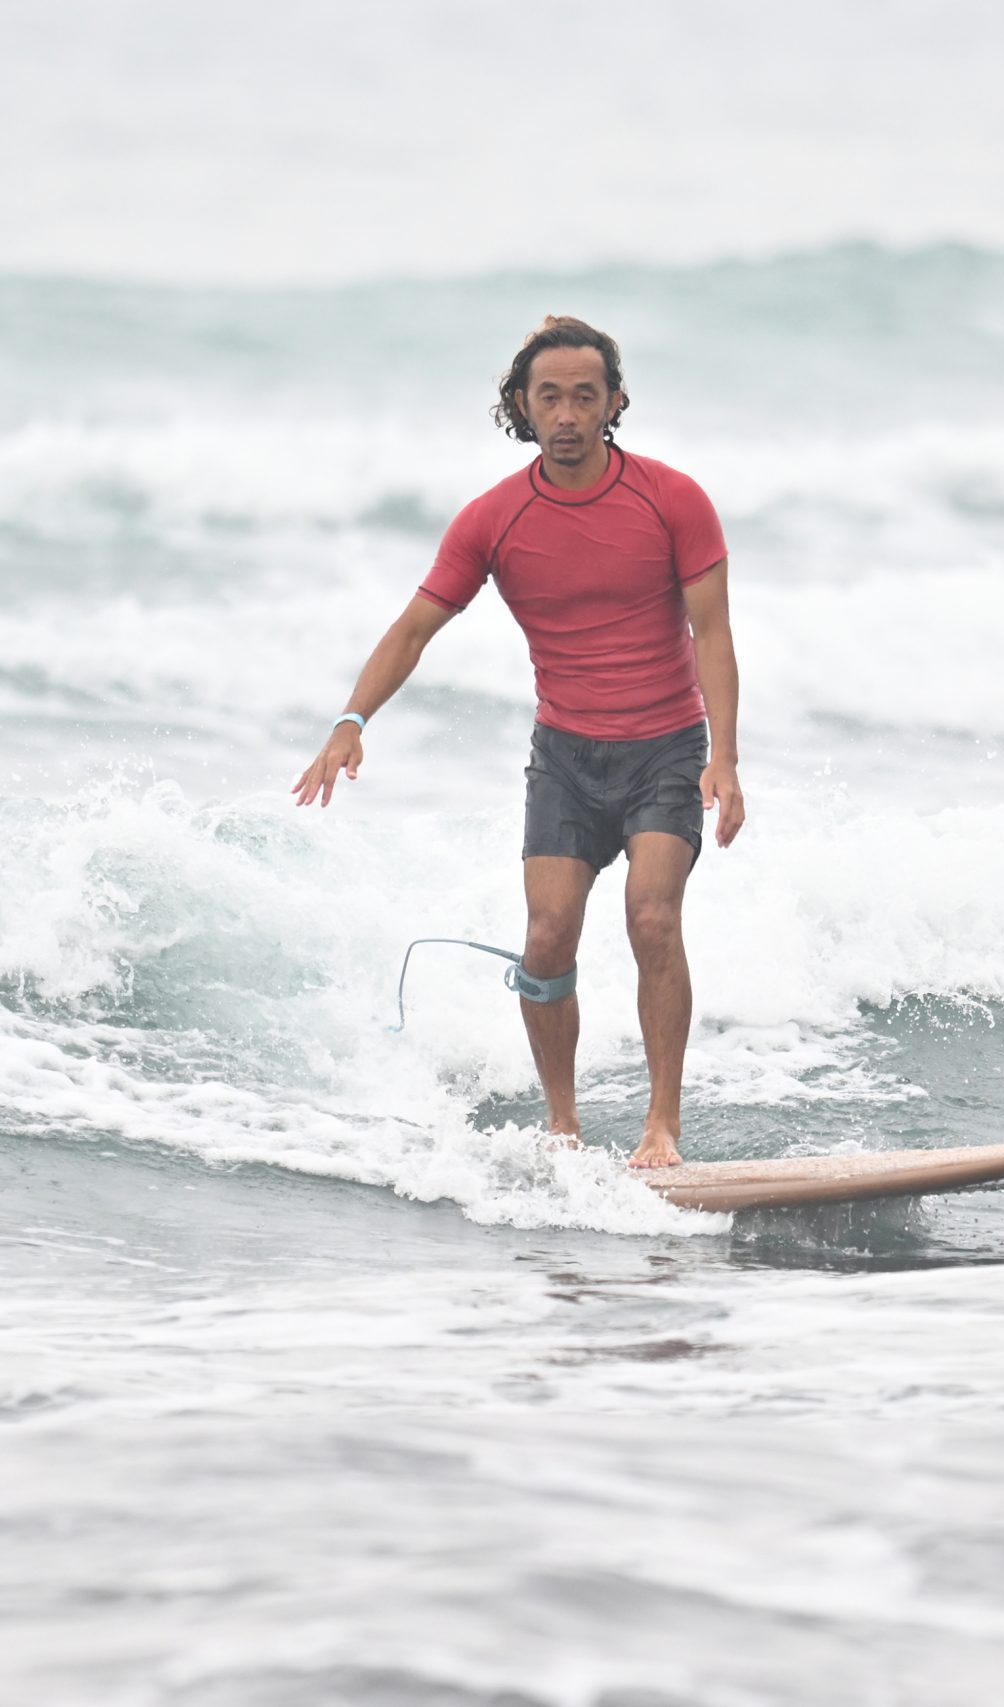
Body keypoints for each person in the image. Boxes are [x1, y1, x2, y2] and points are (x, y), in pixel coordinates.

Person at [291, 316, 743, 1169]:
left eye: (585, 396)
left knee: (652, 916)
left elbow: (712, 635)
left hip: (666, 747)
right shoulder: (494, 519)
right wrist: (353, 721)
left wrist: (724, 756)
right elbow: (415, 628)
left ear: (614, 403)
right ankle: (563, 1123)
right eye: (550, 397)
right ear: (521, 406)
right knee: (546, 938)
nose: (567, 414)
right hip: (566, 757)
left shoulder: (672, 499)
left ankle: (661, 1126)